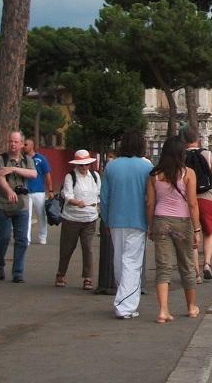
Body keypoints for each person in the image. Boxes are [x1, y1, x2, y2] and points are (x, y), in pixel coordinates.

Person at [147, 137, 201, 323]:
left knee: (163, 266)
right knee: (186, 264)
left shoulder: (154, 174)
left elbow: (150, 203)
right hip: (182, 222)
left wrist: (150, 226)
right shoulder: (188, 173)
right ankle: (191, 307)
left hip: (161, 221)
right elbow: (193, 204)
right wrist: (197, 229)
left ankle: (163, 310)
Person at [101, 131, 153, 320]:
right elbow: (150, 198)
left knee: (119, 259)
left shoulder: (111, 166)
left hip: (116, 218)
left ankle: (123, 298)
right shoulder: (147, 167)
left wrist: (106, 219)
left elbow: (104, 197)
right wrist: (151, 221)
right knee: (132, 262)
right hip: (138, 219)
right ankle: (125, 304)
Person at [0, 131, 36, 282]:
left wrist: (14, 169)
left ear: (22, 144)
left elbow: (33, 174)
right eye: (11, 141)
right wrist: (9, 191)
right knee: (3, 238)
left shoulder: (27, 160)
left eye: (16, 142)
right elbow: (1, 177)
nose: (13, 144)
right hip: (2, 203)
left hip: (22, 204)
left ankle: (18, 272)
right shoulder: (1, 159)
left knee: (22, 239)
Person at [183, 127, 212, 282]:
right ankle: (207, 263)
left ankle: (196, 273)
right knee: (209, 232)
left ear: (184, 141)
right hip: (206, 197)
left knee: (192, 235)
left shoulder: (180, 155)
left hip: (186, 199)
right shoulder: (207, 154)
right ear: (198, 139)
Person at [56, 150, 100, 290]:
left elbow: (98, 194)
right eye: (81, 165)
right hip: (72, 218)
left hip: (90, 218)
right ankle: (61, 273)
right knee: (67, 248)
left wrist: (97, 205)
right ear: (76, 165)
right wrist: (76, 202)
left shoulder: (95, 176)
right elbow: (67, 195)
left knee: (88, 247)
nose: (84, 167)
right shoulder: (70, 176)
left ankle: (88, 277)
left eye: (87, 164)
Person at [23, 138, 53, 248]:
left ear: (32, 146)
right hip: (26, 192)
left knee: (41, 215)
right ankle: (26, 239)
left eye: (26, 144)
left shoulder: (41, 159)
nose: (24, 146)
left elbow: (47, 174)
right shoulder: (22, 159)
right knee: (26, 216)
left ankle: (42, 237)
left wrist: (50, 190)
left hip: (39, 191)